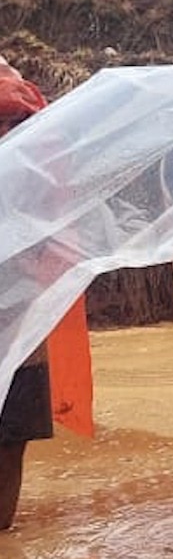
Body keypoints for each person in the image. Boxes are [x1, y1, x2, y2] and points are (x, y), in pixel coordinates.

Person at [0, 58, 53, 531]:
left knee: (14, 434)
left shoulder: (36, 171)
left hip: (23, 318)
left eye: (13, 122)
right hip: (23, 319)